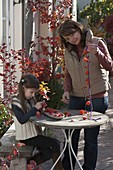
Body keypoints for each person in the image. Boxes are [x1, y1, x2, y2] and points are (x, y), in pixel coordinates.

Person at [58, 19, 113, 170]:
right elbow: (67, 73)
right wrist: (67, 90)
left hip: (97, 97)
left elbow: (110, 66)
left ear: (78, 28)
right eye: (67, 38)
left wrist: (98, 53)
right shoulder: (68, 50)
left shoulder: (97, 42)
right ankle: (67, 167)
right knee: (70, 136)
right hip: (75, 97)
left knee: (90, 139)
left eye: (71, 34)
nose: (71, 39)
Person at [10, 74, 63, 170]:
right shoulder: (15, 102)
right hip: (26, 137)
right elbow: (22, 120)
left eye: (34, 92)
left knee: (48, 153)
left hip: (33, 134)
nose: (33, 95)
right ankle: (59, 168)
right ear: (23, 88)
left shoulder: (29, 99)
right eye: (31, 92)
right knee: (55, 143)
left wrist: (40, 109)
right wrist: (34, 109)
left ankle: (27, 166)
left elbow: (33, 114)